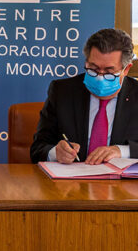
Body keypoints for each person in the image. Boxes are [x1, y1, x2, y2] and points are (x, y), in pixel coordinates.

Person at [31, 28, 138, 165]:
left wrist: (122, 151)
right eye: (93, 69)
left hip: (121, 185)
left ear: (126, 69)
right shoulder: (62, 91)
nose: (99, 77)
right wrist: (55, 152)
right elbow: (37, 148)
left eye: (109, 72)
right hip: (70, 184)